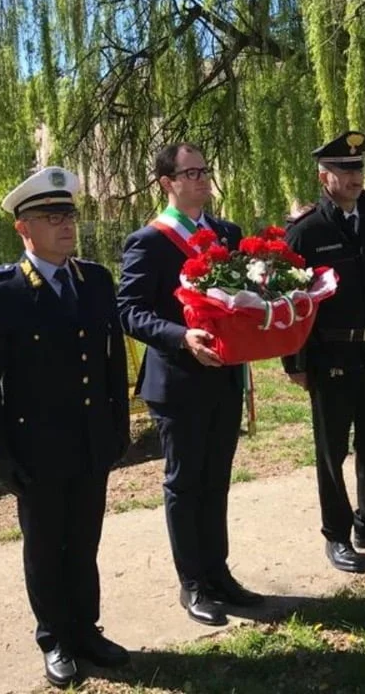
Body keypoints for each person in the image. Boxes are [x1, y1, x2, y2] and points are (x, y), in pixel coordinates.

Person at [0, 166, 130, 688]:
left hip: (90, 441)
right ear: (23, 229)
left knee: (84, 541)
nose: (65, 225)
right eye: (51, 216)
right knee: (44, 544)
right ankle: (54, 637)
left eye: (70, 214)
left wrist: (117, 428)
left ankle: (86, 629)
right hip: (36, 446)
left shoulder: (96, 281)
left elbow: (110, 364)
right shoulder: (0, 291)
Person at [117, 143, 264, 627]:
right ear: (167, 183)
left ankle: (219, 573)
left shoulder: (227, 233)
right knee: (186, 482)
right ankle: (193, 584)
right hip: (178, 381)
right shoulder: (150, 241)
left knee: (216, 479)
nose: (201, 179)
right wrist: (182, 337)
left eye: (205, 171)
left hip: (224, 377)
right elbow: (130, 312)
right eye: (190, 172)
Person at [282, 130, 365, 574]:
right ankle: (337, 535)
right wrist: (296, 363)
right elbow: (290, 303)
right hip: (330, 357)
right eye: (345, 169)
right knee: (332, 451)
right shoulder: (306, 231)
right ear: (325, 176)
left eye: (359, 167)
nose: (355, 175)